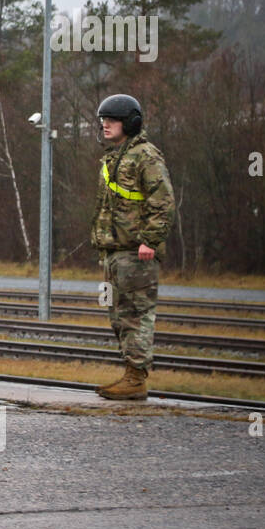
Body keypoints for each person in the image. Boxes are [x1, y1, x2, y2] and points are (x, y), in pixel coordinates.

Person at [90, 94, 175, 400]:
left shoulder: (145, 156)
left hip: (136, 252)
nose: (105, 125)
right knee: (119, 316)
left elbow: (163, 202)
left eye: (111, 120)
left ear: (131, 123)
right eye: (103, 120)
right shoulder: (115, 157)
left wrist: (150, 240)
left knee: (136, 314)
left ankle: (136, 378)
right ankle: (131, 375)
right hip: (115, 252)